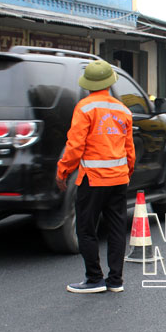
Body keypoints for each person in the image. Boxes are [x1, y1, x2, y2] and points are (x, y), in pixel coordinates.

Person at [56, 60, 136, 294]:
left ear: (88, 84)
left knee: (86, 229)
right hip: (119, 180)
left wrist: (62, 171)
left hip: (92, 180)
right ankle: (115, 280)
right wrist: (127, 173)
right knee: (116, 229)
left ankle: (94, 279)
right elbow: (129, 150)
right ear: (110, 83)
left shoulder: (85, 107)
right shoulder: (123, 110)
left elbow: (75, 146)